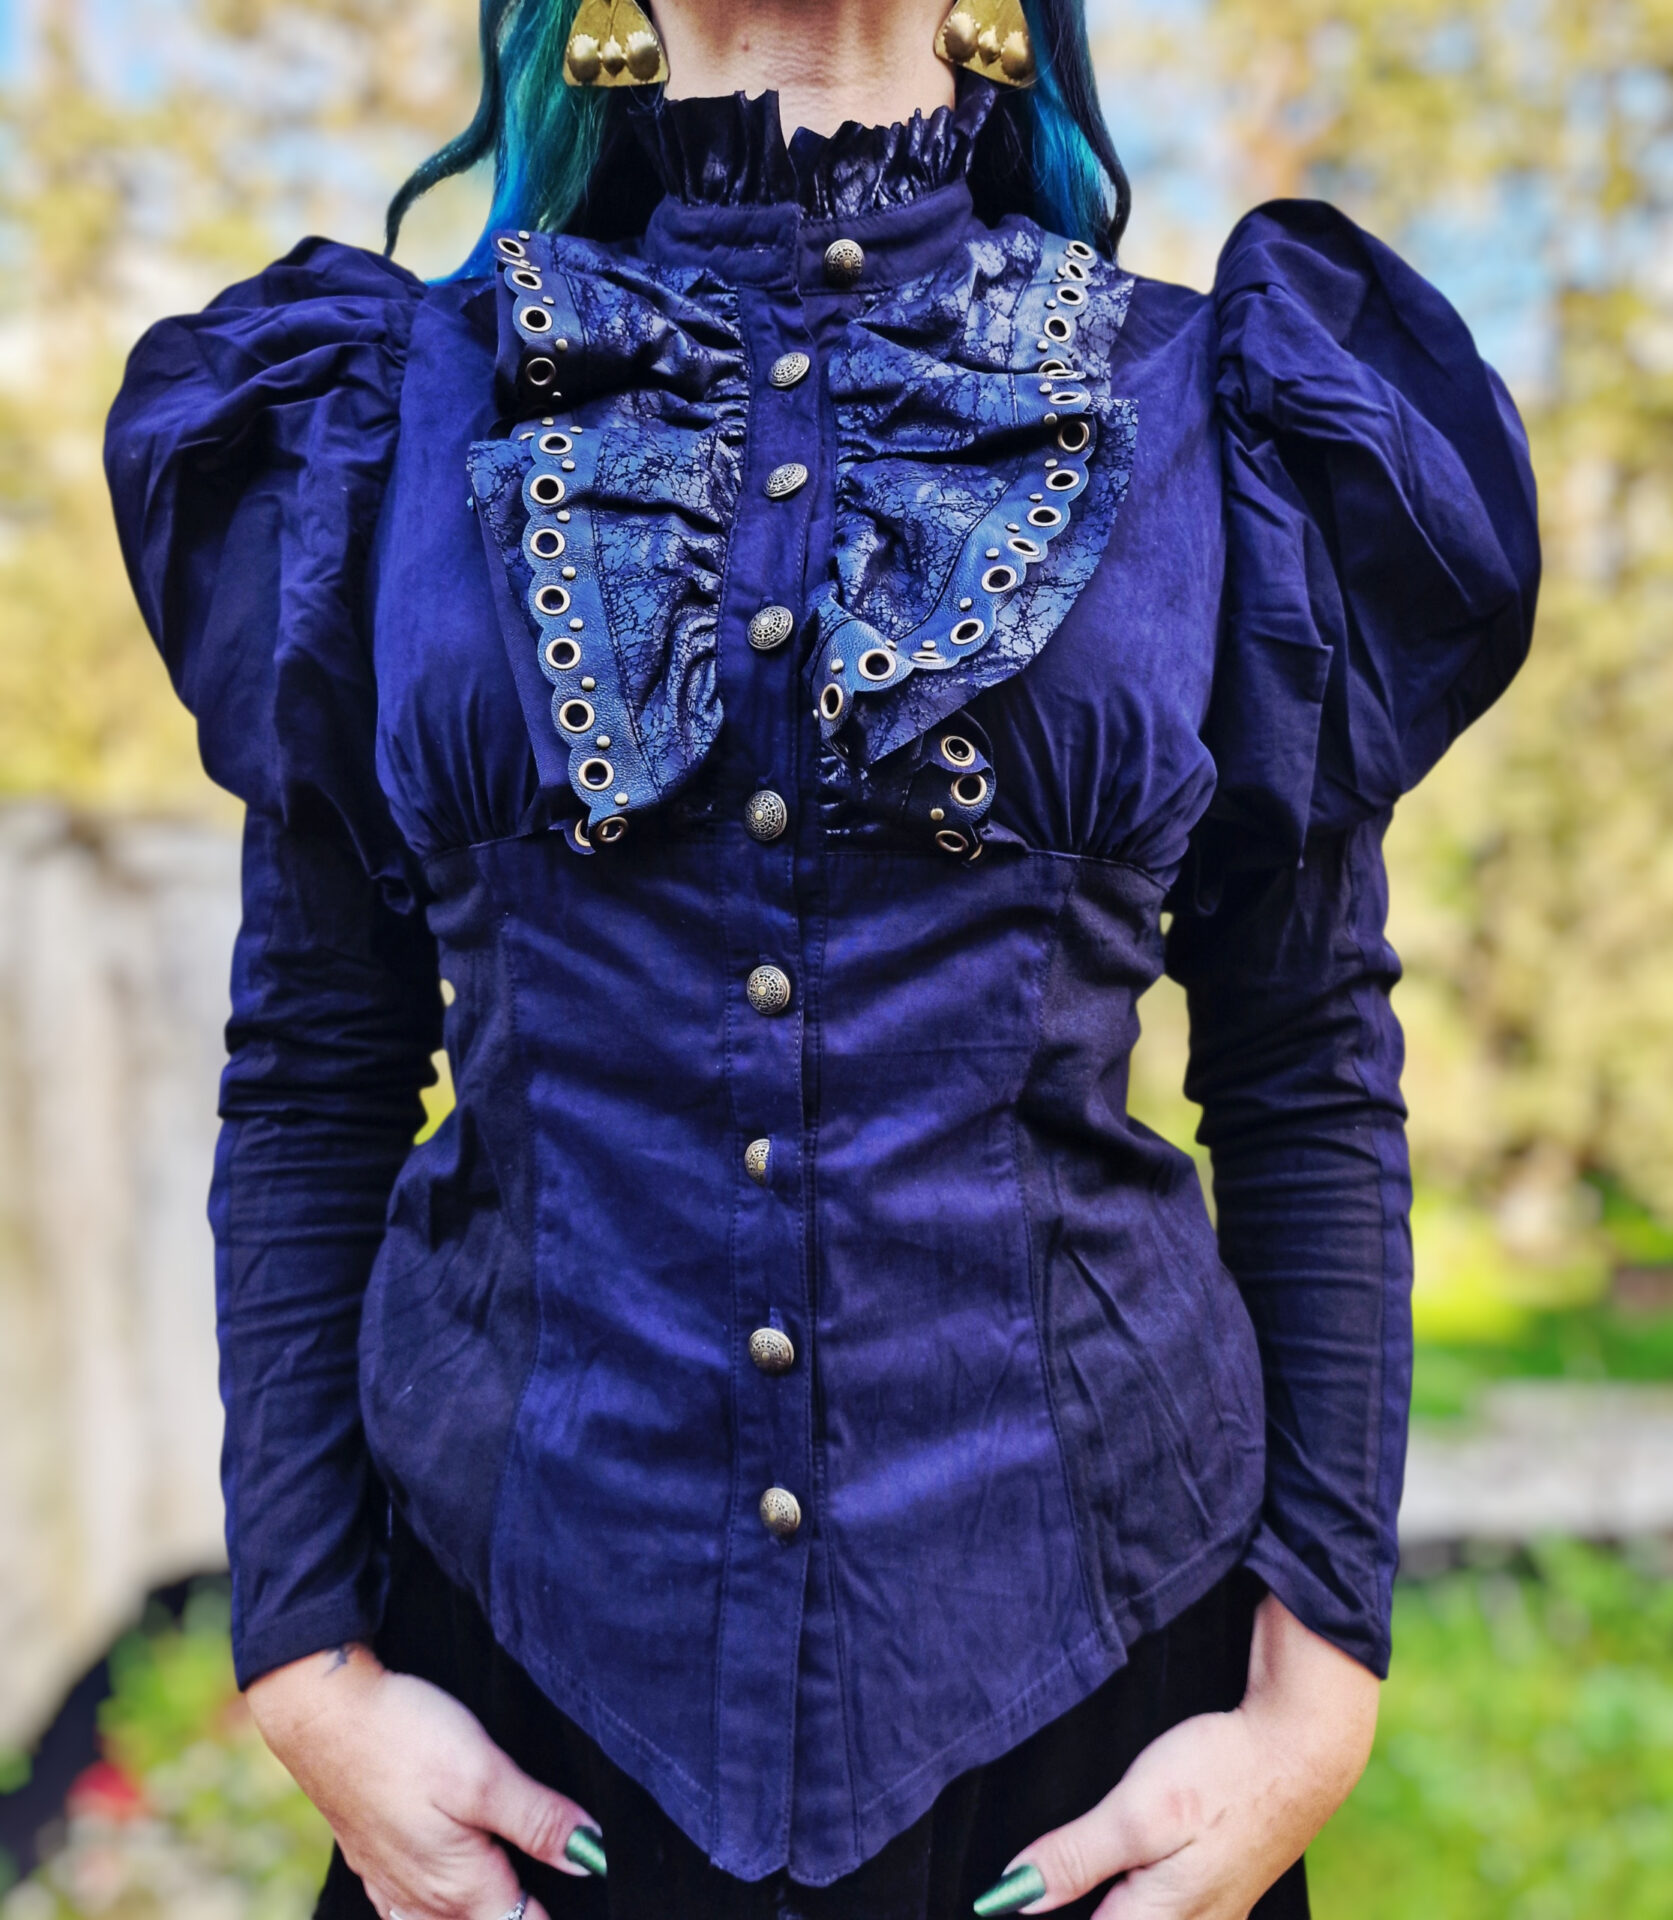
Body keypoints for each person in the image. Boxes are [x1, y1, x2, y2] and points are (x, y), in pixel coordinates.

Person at [104, 1, 1539, 1915]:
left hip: (1088, 1711)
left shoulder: (1211, 408)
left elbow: (1306, 1070)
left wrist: (1318, 1683)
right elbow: (310, 1068)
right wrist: (303, 1656)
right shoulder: (390, 410)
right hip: (521, 1707)